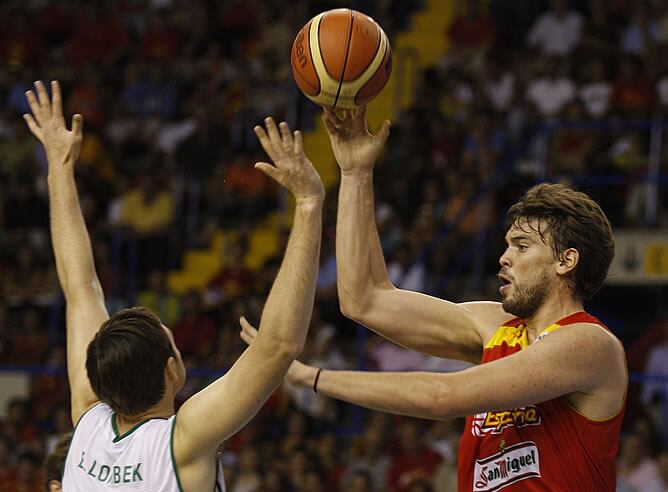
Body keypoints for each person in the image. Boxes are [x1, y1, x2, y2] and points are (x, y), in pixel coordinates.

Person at [240, 107, 627, 490]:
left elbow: (443, 396)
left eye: (522, 247)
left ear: (566, 261)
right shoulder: (495, 327)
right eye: (507, 244)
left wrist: (312, 377)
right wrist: (356, 172)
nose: (504, 257)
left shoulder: (589, 344)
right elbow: (363, 299)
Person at [23, 80, 324, 491]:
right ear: (172, 369)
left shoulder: (87, 419)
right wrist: (308, 204)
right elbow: (279, 346)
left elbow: (80, 285)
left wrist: (58, 167)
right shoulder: (182, 442)